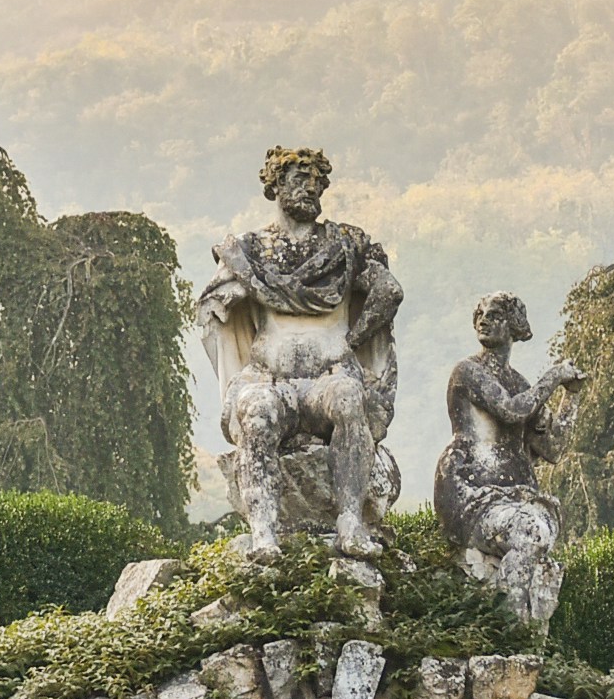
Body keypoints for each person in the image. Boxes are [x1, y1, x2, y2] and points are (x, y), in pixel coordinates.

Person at [195, 147, 403, 555]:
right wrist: (234, 291)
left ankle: (349, 525)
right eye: (299, 179)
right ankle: (264, 533)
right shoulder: (250, 250)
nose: (310, 188)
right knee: (256, 413)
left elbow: (388, 290)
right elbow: (212, 306)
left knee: (348, 400)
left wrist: (355, 339)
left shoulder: (343, 246)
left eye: (316, 182)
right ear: (274, 185)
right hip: (268, 377)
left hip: (330, 375)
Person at [434, 293, 581, 622]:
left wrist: (572, 397)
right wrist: (554, 377)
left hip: (513, 498)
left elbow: (553, 448)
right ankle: (509, 621)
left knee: (536, 530)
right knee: (529, 530)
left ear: (514, 325)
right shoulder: (468, 372)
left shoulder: (519, 384)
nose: (484, 319)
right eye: (481, 314)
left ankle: (515, 620)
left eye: (495, 314)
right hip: (470, 488)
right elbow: (512, 411)